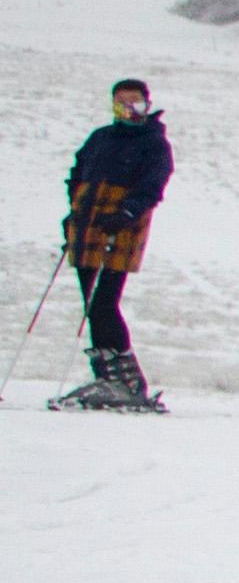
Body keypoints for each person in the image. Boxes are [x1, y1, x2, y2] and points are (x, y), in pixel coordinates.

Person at [52, 77, 172, 413]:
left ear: (147, 105)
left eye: (135, 103)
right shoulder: (101, 137)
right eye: (121, 103)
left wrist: (127, 211)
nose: (128, 110)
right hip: (89, 226)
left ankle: (127, 380)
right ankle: (106, 374)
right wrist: (73, 211)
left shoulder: (154, 143)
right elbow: (78, 174)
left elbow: (154, 186)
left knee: (105, 301)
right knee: (91, 302)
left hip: (121, 229)